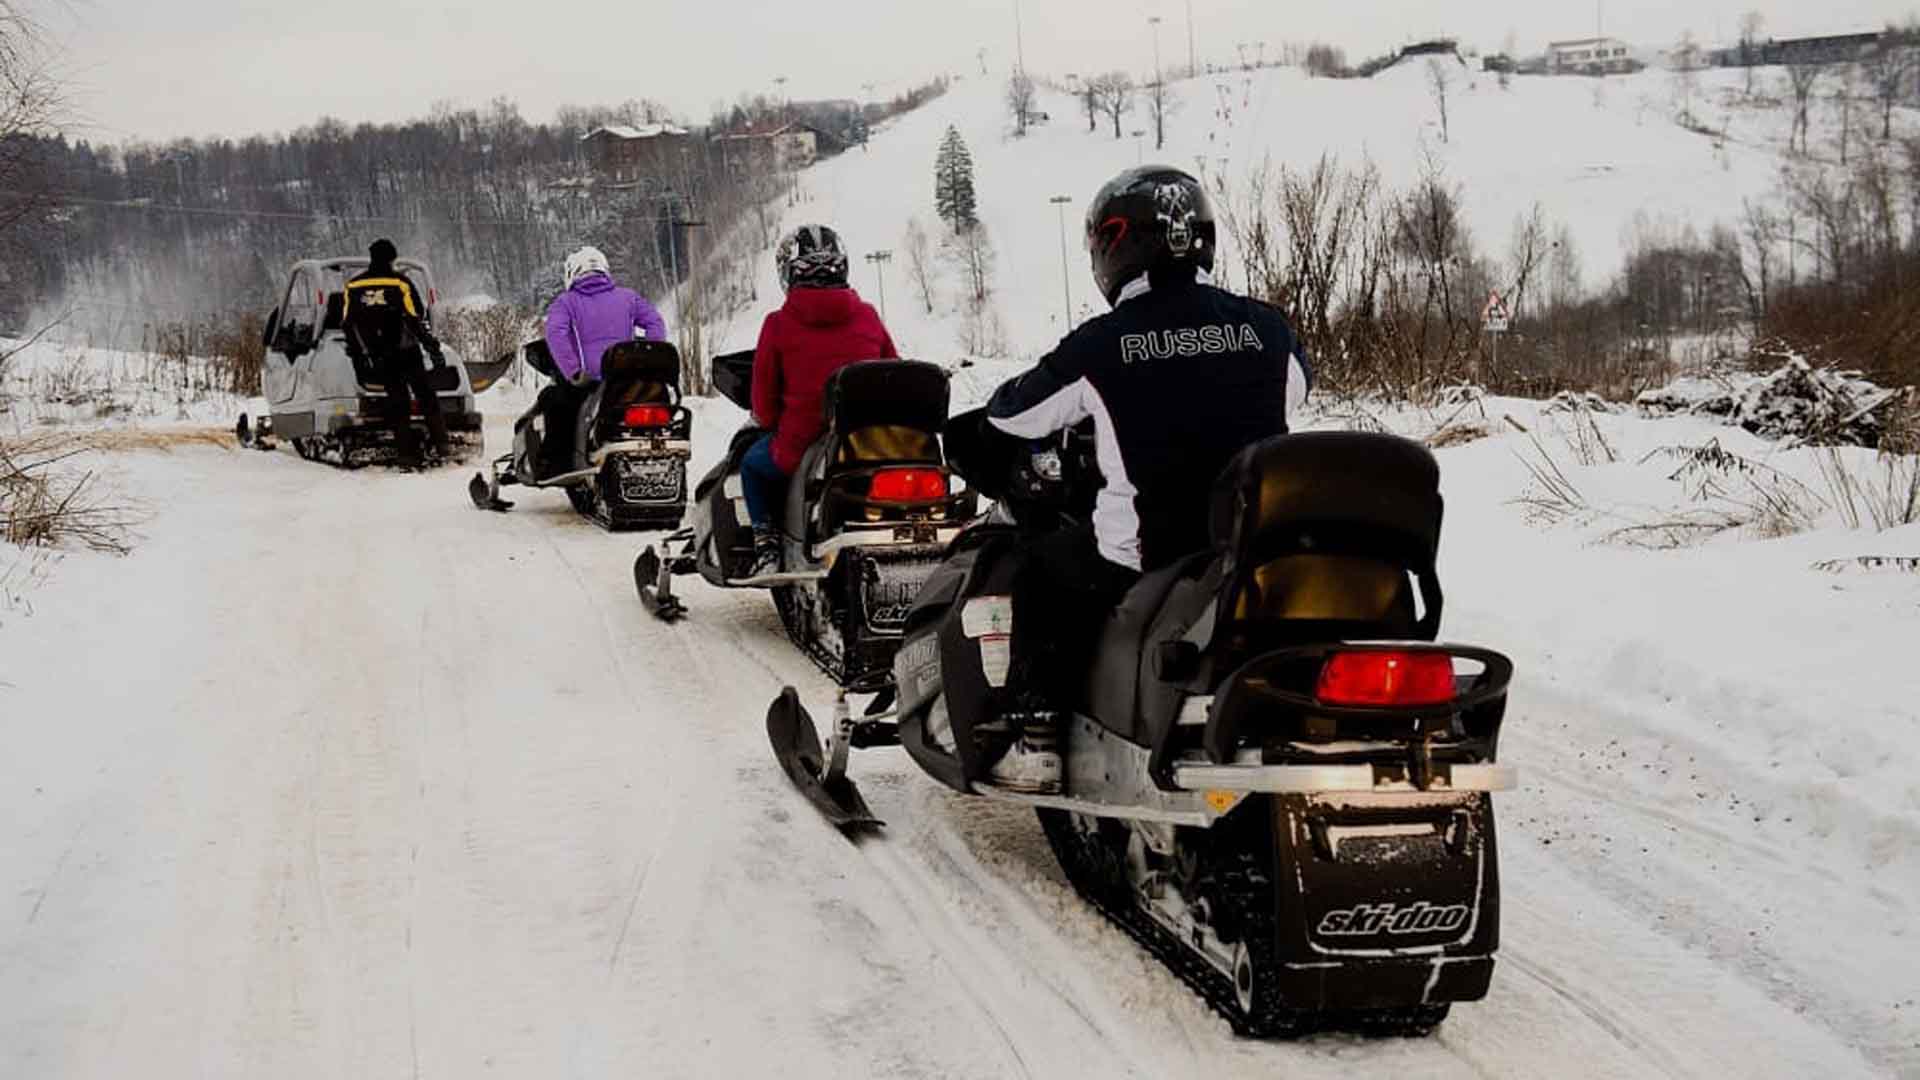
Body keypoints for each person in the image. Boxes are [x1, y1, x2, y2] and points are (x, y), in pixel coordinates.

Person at [979, 165, 1314, 793]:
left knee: (1037, 570)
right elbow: (1296, 386)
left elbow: (1014, 414)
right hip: (1251, 548)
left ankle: (1037, 736)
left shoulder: (1100, 344)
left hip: (1149, 554)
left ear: (1114, 247)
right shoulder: (1269, 329)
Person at [741, 224, 898, 579]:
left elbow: (764, 406)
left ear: (788, 273)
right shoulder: (868, 315)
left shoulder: (777, 324)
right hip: (870, 442)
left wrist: (769, 420)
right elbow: (893, 372)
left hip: (803, 445)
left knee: (751, 466)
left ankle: (767, 546)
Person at [540, 246, 668, 477]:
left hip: (589, 382)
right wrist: (645, 358)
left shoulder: (566, 302)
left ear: (571, 274)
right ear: (604, 270)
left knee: (552, 401)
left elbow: (555, 334)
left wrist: (573, 371)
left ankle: (557, 466)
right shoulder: (628, 297)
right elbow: (655, 323)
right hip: (628, 379)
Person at [341, 238, 451, 466]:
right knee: (426, 396)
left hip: (380, 355)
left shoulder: (353, 286)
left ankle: (405, 454)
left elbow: (348, 324)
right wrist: (432, 347)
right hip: (406, 350)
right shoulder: (400, 283)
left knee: (398, 402)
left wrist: (359, 356)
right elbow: (414, 317)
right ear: (392, 258)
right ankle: (442, 445)